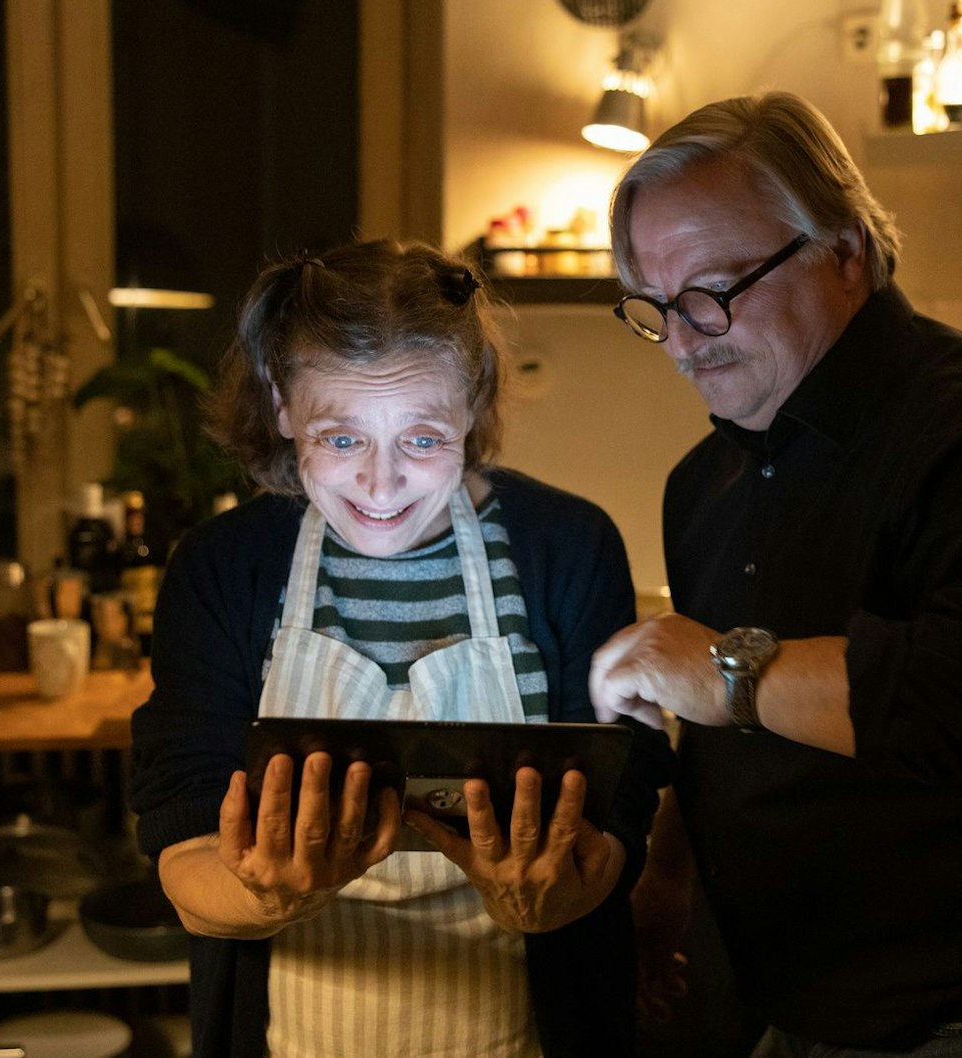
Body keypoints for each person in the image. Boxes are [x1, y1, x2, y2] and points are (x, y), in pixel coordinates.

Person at [588, 92, 962, 1057]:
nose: (687, 338)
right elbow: (721, 732)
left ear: (846, 250)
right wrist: (671, 878)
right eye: (656, 310)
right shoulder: (708, 479)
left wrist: (731, 670)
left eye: (714, 290)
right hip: (809, 993)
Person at [129, 239, 669, 1058]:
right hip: (291, 1029)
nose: (380, 490)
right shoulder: (223, 569)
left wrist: (550, 899)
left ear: (473, 405)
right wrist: (273, 897)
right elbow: (185, 862)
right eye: (342, 441)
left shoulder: (568, 546)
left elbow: (619, 816)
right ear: (281, 406)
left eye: (420, 440)